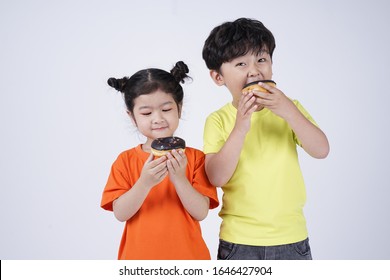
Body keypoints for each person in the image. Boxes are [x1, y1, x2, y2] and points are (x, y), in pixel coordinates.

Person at [201, 18, 330, 260]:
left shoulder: (290, 109)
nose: (254, 70)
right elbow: (216, 177)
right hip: (238, 240)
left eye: (261, 59)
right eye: (241, 63)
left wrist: (289, 111)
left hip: (292, 237)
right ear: (219, 77)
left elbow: (321, 149)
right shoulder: (217, 120)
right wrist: (240, 127)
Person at [101, 61, 219, 260]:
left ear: (179, 109)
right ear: (132, 117)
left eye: (166, 109)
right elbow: (121, 214)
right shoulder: (125, 160)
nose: (157, 118)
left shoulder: (196, 158)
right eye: (146, 113)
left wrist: (180, 179)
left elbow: (201, 212)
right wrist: (144, 182)